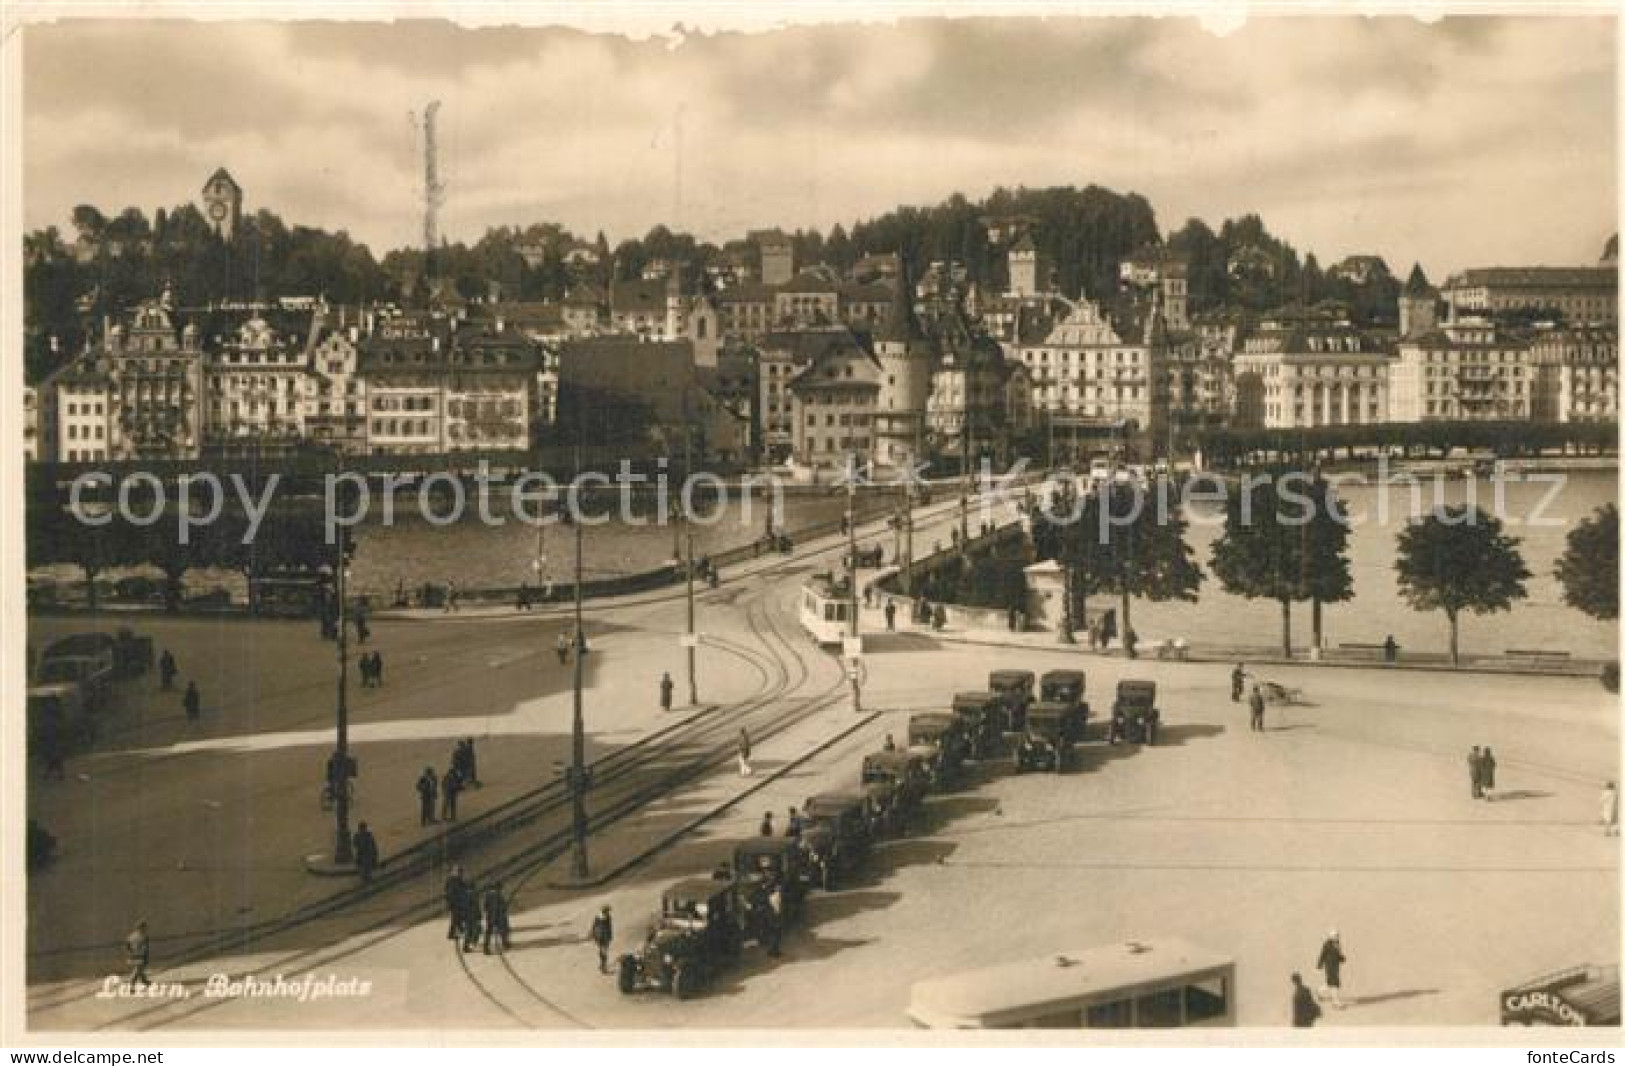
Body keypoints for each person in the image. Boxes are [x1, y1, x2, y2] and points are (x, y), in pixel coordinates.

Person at [1316, 931, 1346, 1009]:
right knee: (1334, 983)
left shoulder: (1337, 943)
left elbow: (1338, 954)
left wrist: (1341, 958)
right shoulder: (1327, 944)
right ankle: (1336, 1003)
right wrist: (1319, 966)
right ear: (1331, 936)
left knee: (1330, 983)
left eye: (1338, 935)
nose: (1337, 936)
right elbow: (1322, 955)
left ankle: (1319, 991)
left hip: (1336, 966)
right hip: (1329, 967)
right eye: (1335, 935)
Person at [445, 865, 469, 940]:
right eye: (458, 872)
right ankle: (451, 934)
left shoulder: (459, 880)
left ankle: (459, 930)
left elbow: (464, 890)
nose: (459, 873)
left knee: (458, 917)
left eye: (460, 872)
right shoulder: (451, 881)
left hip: (459, 903)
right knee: (456, 918)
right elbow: (449, 893)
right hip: (454, 903)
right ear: (453, 872)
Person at [482, 882, 507, 954]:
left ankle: (485, 947)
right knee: (502, 930)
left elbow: (485, 906)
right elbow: (503, 905)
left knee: (488, 932)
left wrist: (486, 913)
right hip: (498, 915)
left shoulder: (487, 895)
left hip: (490, 916)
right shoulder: (499, 895)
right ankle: (505, 944)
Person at [125, 920, 152, 988]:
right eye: (145, 927)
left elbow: (127, 947)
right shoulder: (144, 937)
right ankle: (132, 983)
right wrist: (145, 958)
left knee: (139, 970)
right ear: (142, 927)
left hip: (131, 958)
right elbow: (145, 949)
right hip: (140, 958)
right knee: (137, 970)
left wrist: (130, 955)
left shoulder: (130, 936)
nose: (146, 929)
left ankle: (144, 981)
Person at [589, 905, 614, 974]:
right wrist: (610, 936)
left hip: (598, 936)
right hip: (604, 936)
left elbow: (594, 926)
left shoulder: (597, 916)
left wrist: (592, 934)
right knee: (604, 951)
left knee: (602, 950)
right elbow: (609, 927)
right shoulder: (608, 917)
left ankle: (602, 964)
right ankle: (603, 966)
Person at [460, 882, 483, 953]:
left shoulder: (463, 895)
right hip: (473, 915)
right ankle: (473, 941)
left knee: (468, 931)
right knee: (477, 929)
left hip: (466, 916)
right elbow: (476, 905)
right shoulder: (473, 894)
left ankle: (465, 946)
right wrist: (479, 915)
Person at [765, 884, 785, 958]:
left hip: (773, 917)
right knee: (776, 934)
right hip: (774, 917)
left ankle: (773, 950)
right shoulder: (774, 897)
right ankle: (774, 951)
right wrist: (778, 918)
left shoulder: (775, 896)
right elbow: (776, 909)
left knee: (775, 934)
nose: (780, 889)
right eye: (778, 888)